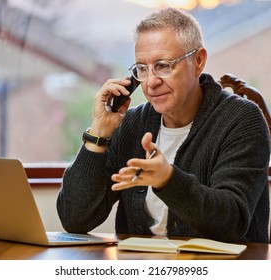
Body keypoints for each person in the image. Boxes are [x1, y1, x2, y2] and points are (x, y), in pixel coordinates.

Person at [57, 7, 270, 243]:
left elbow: (232, 220)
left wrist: (168, 180)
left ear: (198, 61)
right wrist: (98, 133)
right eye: (142, 69)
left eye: (163, 65)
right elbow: (74, 219)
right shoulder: (132, 125)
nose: (151, 82)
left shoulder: (242, 119)